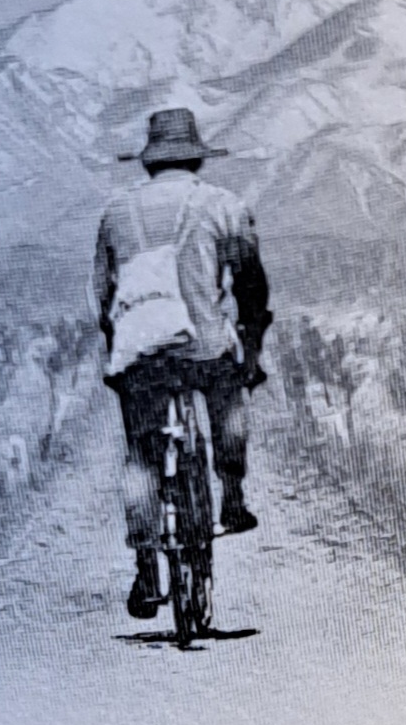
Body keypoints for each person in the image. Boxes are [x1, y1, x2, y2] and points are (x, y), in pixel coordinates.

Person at [93, 106, 272, 620]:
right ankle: (231, 496)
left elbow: (102, 294)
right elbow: (251, 285)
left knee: (141, 454)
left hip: (141, 355)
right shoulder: (223, 205)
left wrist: (119, 346)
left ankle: (146, 564)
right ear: (196, 157)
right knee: (229, 396)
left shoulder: (116, 213)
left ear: (149, 161)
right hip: (202, 348)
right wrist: (251, 345)